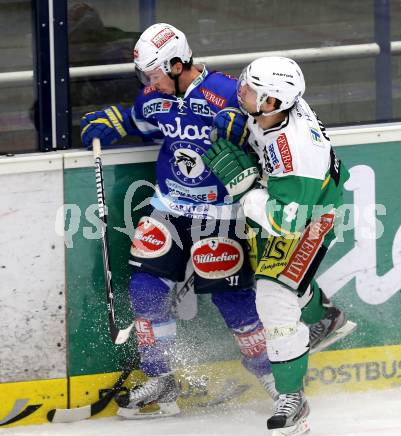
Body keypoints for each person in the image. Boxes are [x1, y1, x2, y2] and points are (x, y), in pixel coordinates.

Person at [80, 23, 277, 419]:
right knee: (145, 288)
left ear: (175, 64)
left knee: (233, 302)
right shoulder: (157, 97)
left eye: (152, 74)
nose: (148, 84)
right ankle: (163, 377)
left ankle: (275, 380)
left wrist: (250, 131)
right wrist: (114, 120)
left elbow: (271, 128)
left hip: (221, 213)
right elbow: (139, 119)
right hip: (169, 206)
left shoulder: (226, 92)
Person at [203, 56, 356, 435]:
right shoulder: (277, 110)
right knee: (285, 285)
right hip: (294, 200)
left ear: (272, 102)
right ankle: (324, 317)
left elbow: (287, 222)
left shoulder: (295, 154)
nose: (241, 92)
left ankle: (293, 402)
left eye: (251, 91)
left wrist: (245, 186)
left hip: (311, 216)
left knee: (274, 297)